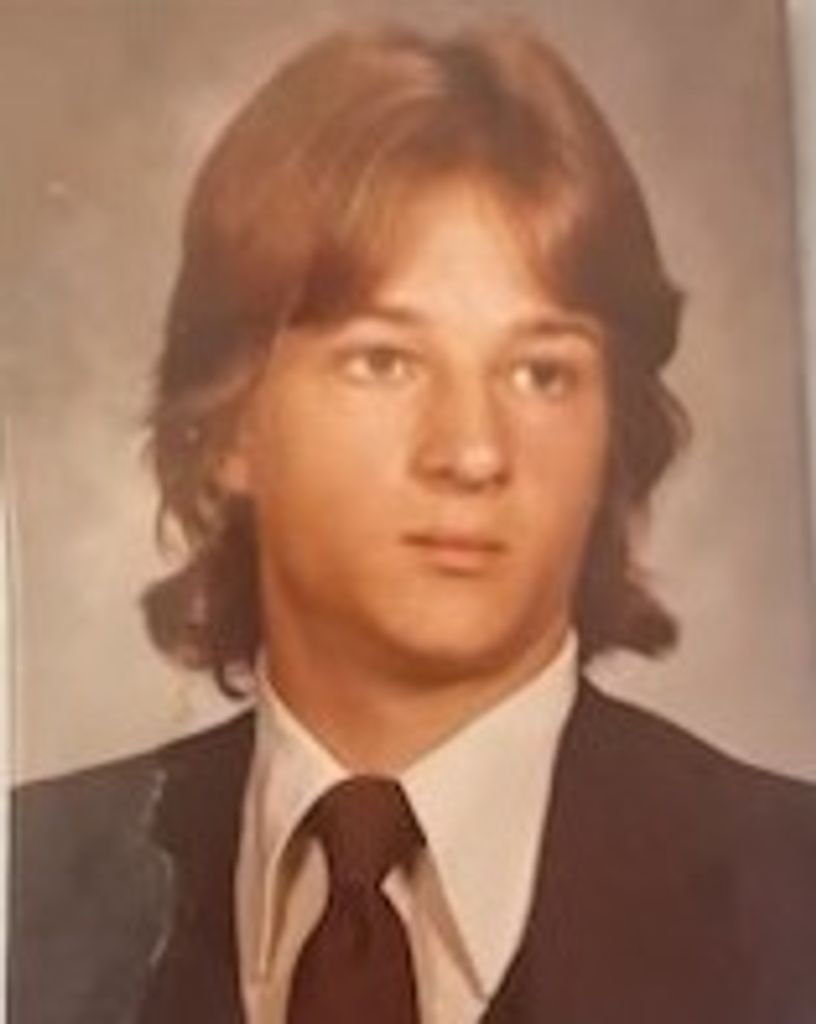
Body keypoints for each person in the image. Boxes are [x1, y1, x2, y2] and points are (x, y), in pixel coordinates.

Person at [11, 21, 816, 1024]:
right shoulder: (29, 886)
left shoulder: (792, 893)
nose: (472, 451)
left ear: (613, 433)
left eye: (541, 372)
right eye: (385, 361)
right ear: (229, 428)